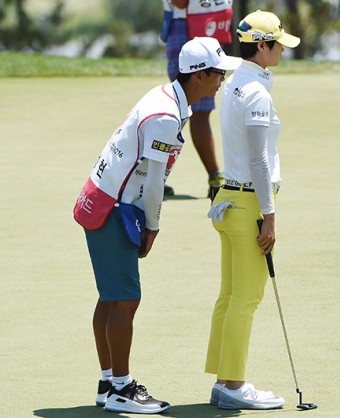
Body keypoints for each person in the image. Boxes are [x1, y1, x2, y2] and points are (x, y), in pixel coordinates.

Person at [73, 37, 241, 414]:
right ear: (200, 76)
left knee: (112, 296)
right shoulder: (165, 116)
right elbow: (153, 182)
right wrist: (153, 225)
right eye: (219, 74)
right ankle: (120, 388)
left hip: (103, 197)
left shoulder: (166, 96)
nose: (222, 80)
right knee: (125, 298)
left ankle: (107, 383)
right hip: (114, 207)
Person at [204, 10, 300, 410]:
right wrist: (270, 214)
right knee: (246, 299)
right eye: (277, 43)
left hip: (229, 198)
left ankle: (225, 381)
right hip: (247, 206)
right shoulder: (257, 92)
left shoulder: (234, 84)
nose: (281, 50)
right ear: (261, 46)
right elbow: (260, 162)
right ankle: (234, 385)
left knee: (230, 296)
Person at [161, 0, 234, 199]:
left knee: (200, 109)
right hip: (186, 27)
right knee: (184, 106)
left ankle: (213, 177)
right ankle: (149, 176)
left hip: (214, 25)